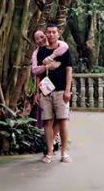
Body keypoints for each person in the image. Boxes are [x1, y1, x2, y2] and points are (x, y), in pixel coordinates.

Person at [35, 23, 73, 163]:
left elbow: (69, 70)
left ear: (58, 34)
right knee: (47, 121)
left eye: (53, 32)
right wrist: (37, 92)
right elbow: (38, 73)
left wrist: (68, 90)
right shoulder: (41, 51)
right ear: (46, 34)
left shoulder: (64, 50)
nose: (51, 35)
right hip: (45, 91)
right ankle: (50, 152)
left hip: (61, 90)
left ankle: (64, 152)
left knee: (63, 120)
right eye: (49, 32)